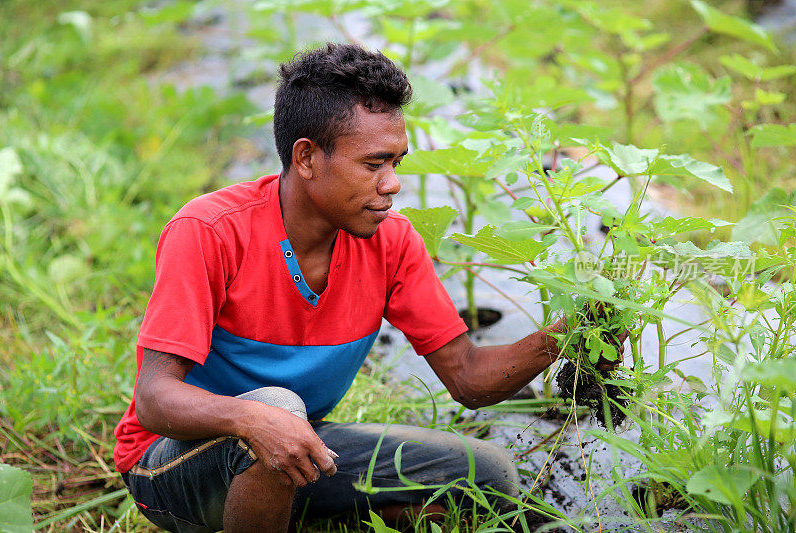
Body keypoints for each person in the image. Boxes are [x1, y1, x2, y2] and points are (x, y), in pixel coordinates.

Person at [113, 43, 568, 533]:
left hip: (292, 443)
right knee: (276, 409)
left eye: (397, 163)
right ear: (306, 157)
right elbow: (155, 398)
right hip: (169, 465)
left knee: (487, 475)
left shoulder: (391, 242)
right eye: (374, 164)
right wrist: (254, 420)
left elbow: (470, 377)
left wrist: (569, 336)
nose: (392, 184)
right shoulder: (210, 231)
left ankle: (286, 510)